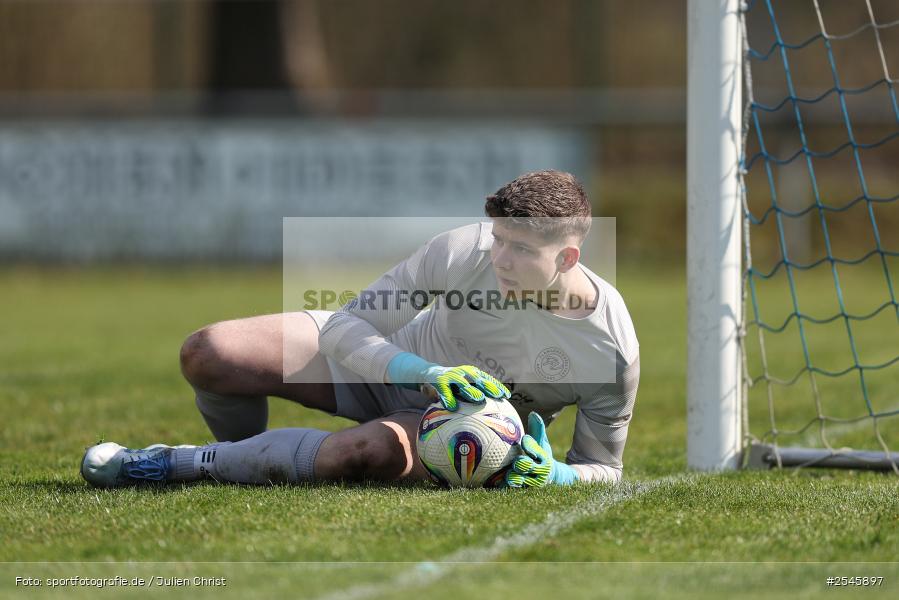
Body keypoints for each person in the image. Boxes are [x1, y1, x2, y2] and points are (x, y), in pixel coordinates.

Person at [81, 170, 639, 489]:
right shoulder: (463, 250)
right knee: (209, 352)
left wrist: (560, 477)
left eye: (519, 248)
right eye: (498, 239)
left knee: (359, 454)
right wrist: (426, 370)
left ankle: (170, 462)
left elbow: (603, 468)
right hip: (392, 360)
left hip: (451, 423)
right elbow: (349, 326)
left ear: (568, 258)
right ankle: (239, 456)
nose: (500, 258)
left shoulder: (611, 352)